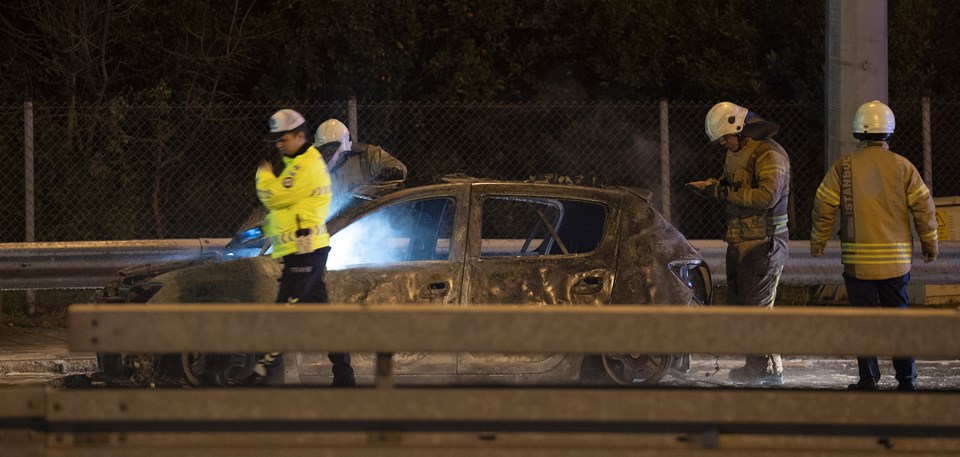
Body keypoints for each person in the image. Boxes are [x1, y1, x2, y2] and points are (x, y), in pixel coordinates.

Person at [810, 100, 938, 392]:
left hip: (858, 265)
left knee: (864, 323)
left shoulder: (843, 168)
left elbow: (823, 205)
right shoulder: (903, 167)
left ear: (858, 132)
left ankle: (869, 379)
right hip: (896, 264)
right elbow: (924, 208)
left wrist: (818, 243)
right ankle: (907, 380)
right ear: (888, 132)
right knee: (898, 322)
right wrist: (930, 245)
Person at [687, 102, 791, 386]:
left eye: (724, 137)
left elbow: (766, 197)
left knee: (757, 309)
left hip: (764, 243)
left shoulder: (769, 153)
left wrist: (719, 192)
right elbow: (730, 185)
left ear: (738, 127)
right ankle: (757, 365)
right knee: (744, 307)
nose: (722, 143)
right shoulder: (739, 152)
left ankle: (767, 369)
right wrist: (711, 187)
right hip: (742, 241)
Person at [256, 109, 355, 387]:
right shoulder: (296, 163)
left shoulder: (305, 165)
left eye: (283, 138)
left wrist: (263, 176)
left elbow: (275, 197)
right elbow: (292, 210)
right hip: (304, 251)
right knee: (323, 319)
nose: (278, 144)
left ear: (300, 135)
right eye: (276, 140)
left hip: (306, 252)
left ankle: (261, 375)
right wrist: (264, 230)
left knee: (283, 312)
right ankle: (345, 379)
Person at [314, 118, 408, 215]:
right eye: (324, 151)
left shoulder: (366, 155)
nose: (328, 156)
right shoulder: (312, 166)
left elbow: (395, 165)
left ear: (345, 149)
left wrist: (393, 172)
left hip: (369, 219)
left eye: (331, 151)